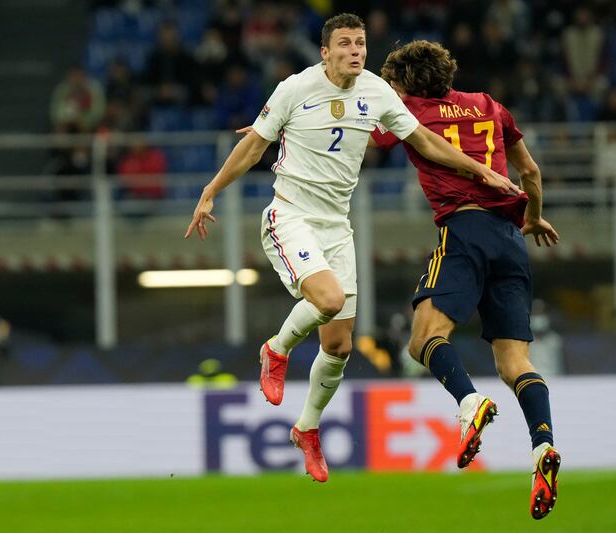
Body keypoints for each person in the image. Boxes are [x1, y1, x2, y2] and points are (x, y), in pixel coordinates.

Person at [185, 14, 520, 484]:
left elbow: (424, 140)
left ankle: (306, 429)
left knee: (339, 345)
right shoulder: (294, 89)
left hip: (336, 229)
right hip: (292, 215)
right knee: (328, 300)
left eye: (360, 43)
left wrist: (478, 170)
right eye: (344, 43)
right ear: (325, 52)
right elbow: (254, 147)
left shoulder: (377, 92)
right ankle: (275, 350)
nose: (355, 51)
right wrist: (211, 189)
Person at [372, 40, 561, 519]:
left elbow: (368, 136)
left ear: (406, 83)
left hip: (464, 230)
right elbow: (531, 173)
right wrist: (534, 218)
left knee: (422, 340)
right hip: (510, 240)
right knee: (515, 360)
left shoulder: (408, 109)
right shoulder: (489, 106)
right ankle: (543, 448)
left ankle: (469, 401)